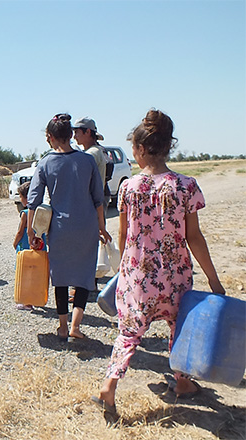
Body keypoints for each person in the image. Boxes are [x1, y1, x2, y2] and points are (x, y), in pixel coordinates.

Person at [92, 109, 225, 417]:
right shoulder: (186, 186)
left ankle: (109, 387)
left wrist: (123, 273)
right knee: (179, 328)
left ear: (139, 149)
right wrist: (214, 282)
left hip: (137, 278)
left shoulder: (129, 187)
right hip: (176, 278)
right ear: (168, 147)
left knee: (128, 334)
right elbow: (195, 238)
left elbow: (125, 236)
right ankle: (182, 382)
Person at [27, 114, 111, 340]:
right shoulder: (87, 161)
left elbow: (33, 201)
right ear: (69, 135)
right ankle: (76, 326)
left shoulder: (45, 163)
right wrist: (101, 227)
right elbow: (97, 199)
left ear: (52, 137)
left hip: (60, 229)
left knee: (61, 278)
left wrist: (31, 231)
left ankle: (62, 327)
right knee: (84, 276)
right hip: (87, 227)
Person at [71, 117, 111, 302]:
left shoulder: (92, 154)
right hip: (97, 201)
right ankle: (90, 283)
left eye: (77, 131)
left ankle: (84, 286)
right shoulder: (97, 151)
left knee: (84, 244)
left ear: (87, 132)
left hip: (90, 202)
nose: (74, 135)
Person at [12, 181, 47, 311]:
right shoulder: (42, 211)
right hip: (40, 247)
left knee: (25, 274)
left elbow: (21, 231)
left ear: (25, 198)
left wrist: (15, 243)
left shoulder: (25, 213)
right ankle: (36, 299)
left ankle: (26, 302)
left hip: (26, 248)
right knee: (37, 274)